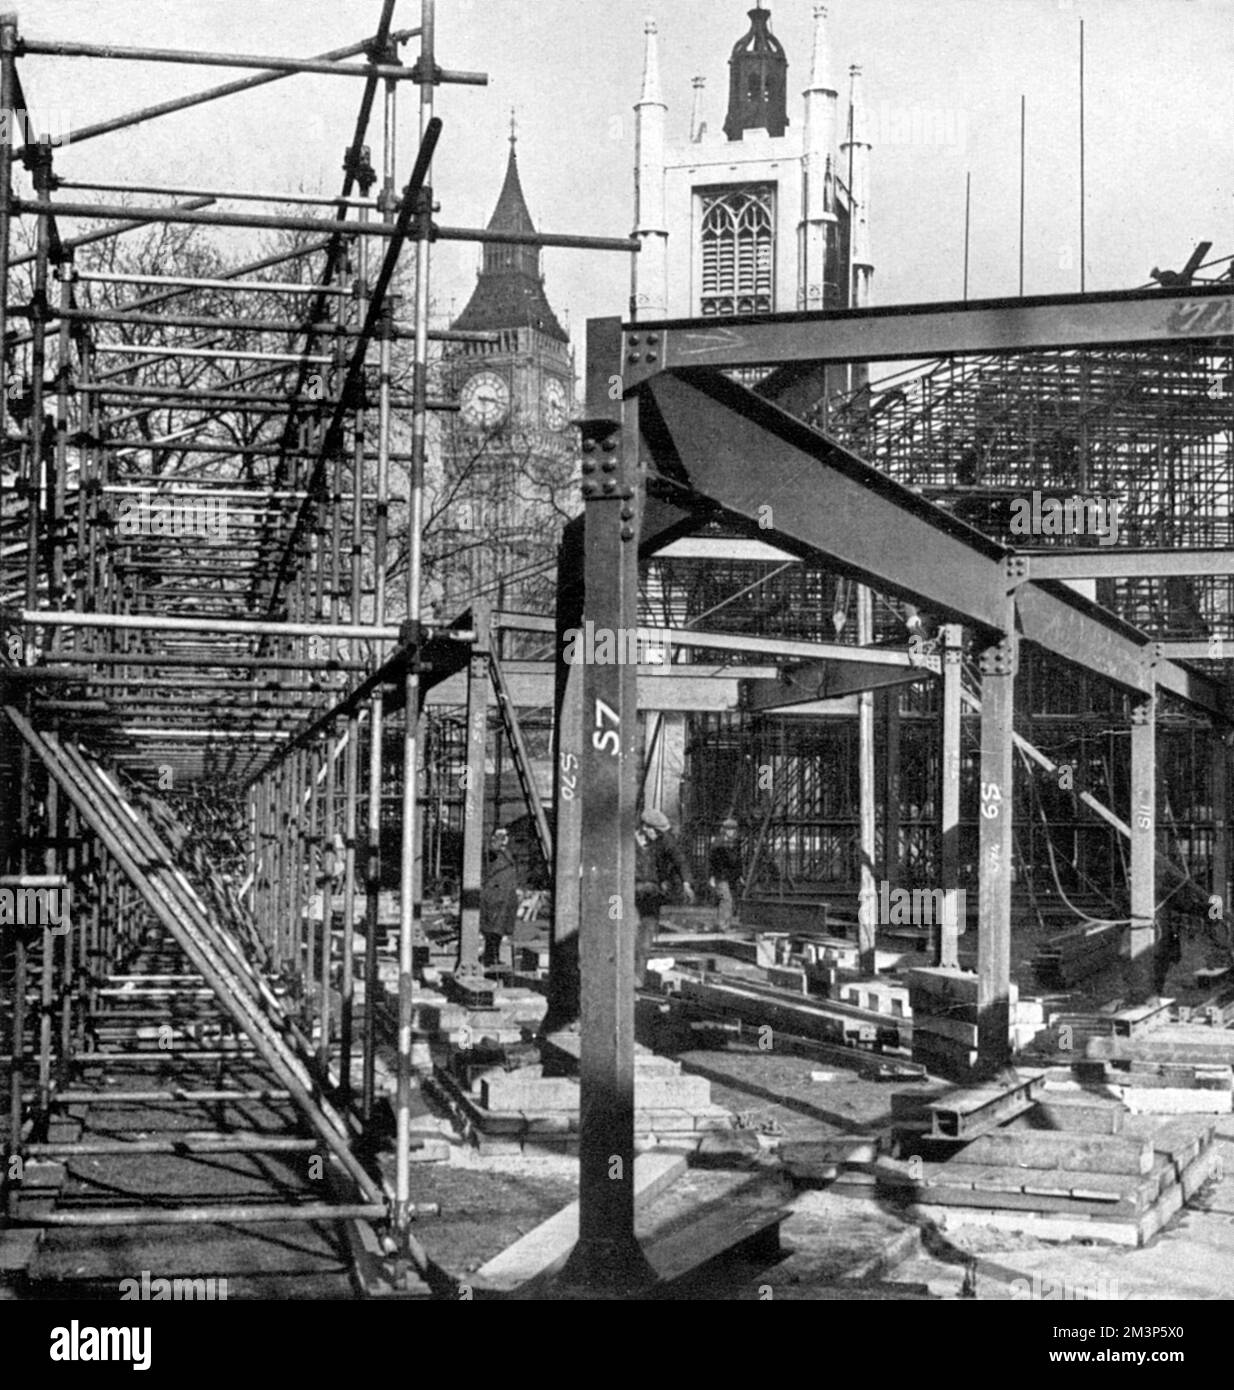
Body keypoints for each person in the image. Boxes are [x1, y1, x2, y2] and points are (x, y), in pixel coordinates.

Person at [633, 807, 692, 987]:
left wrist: (686, 882)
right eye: (656, 832)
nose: (659, 836)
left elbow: (679, 858)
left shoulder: (661, 841)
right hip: (619, 896)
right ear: (645, 827)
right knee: (620, 928)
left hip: (650, 895)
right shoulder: (625, 841)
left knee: (645, 939)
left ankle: (637, 978)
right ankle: (616, 975)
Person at [480, 826, 519, 968]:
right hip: (495, 896)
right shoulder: (492, 851)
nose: (504, 838)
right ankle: (491, 958)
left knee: (500, 929)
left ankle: (493, 956)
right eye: (500, 835)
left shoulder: (506, 852)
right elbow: (491, 850)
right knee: (493, 929)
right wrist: (497, 839)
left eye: (506, 835)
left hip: (506, 896)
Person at [708, 816, 743, 931]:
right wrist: (712, 876)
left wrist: (740, 875)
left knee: (729, 900)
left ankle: (724, 924)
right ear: (724, 830)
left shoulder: (735, 843)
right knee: (726, 899)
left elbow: (737, 861)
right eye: (729, 829)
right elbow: (713, 861)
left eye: (733, 830)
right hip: (720, 876)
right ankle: (723, 925)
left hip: (730, 876)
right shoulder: (718, 844)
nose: (731, 832)